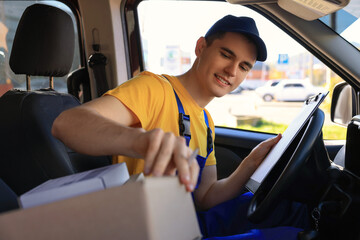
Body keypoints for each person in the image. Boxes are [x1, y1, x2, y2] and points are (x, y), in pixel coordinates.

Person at [52, 15, 309, 239]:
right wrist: (140, 140)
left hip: (184, 223)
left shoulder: (205, 120)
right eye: (226, 54)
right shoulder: (154, 89)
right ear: (201, 47)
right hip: (146, 230)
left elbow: (205, 196)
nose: (232, 71)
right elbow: (67, 124)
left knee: (290, 208)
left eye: (244, 66)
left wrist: (251, 163)